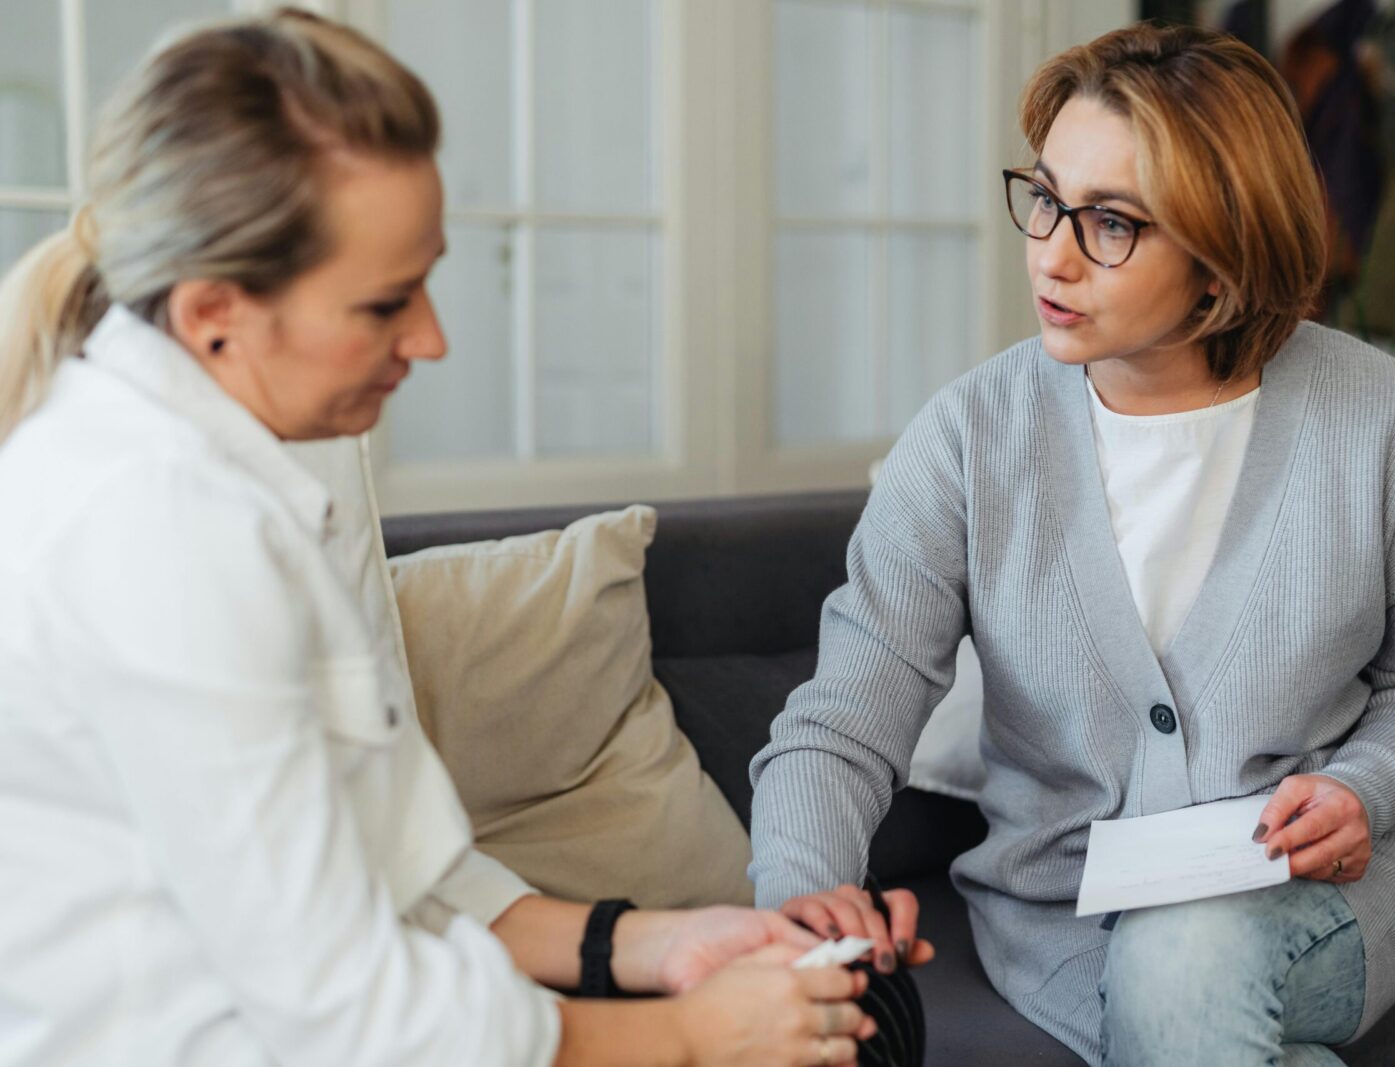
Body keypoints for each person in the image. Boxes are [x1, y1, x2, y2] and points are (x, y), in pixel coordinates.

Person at [0, 10, 873, 1067]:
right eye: (383, 303)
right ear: (214, 312)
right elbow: (351, 1012)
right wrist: (689, 1034)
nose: (431, 338)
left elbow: (401, 877)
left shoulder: (249, 463)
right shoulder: (160, 534)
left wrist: (659, 945)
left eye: (427, 278)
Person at [748, 21, 1395, 1067]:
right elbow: (841, 720)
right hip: (1055, 916)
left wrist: (1362, 785)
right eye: (1047, 198)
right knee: (1180, 981)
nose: (1051, 252)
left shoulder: (1386, 427)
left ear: (1222, 253)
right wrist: (799, 893)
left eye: (1111, 222)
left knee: (1184, 950)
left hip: (1317, 903)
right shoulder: (969, 438)